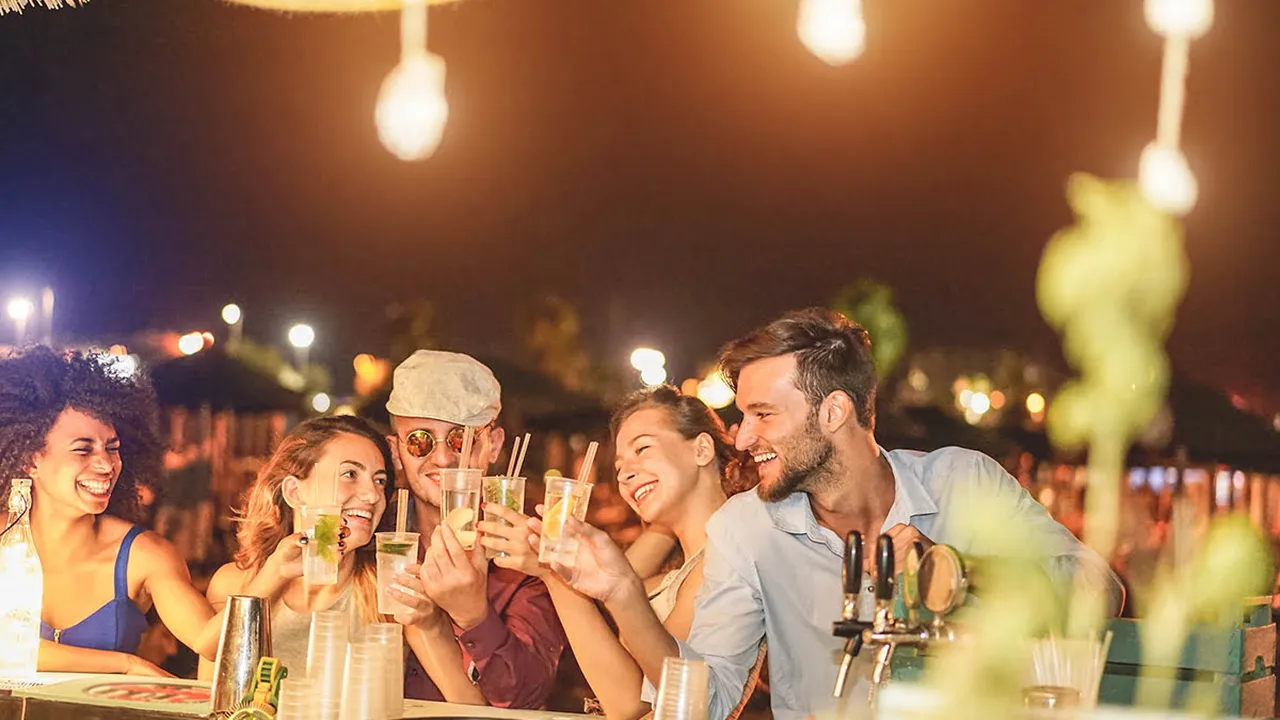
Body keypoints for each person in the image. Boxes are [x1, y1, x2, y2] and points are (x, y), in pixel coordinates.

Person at [544, 308, 1125, 720]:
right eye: (742, 416)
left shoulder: (961, 481)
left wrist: (955, 573)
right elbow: (708, 702)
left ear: (834, 412)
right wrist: (622, 594)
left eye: (762, 414)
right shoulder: (746, 529)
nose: (741, 438)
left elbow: (1102, 590)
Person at [481, 385, 767, 719]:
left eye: (643, 448)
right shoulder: (683, 567)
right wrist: (552, 564)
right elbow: (619, 581)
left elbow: (632, 702)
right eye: (618, 467)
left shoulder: (723, 564)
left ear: (702, 449)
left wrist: (554, 577)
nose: (625, 474)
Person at [0, 347, 222, 675]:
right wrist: (125, 665)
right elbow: (9, 650)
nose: (106, 464)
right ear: (30, 459)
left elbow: (210, 641)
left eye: (112, 448)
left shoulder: (144, 555)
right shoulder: (5, 541)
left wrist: (272, 576)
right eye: (83, 450)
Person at [382, 350, 566, 707]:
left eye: (460, 439)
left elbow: (524, 699)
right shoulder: (376, 537)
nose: (443, 458)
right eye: (420, 440)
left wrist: (474, 616)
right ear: (395, 451)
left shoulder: (527, 549)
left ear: (493, 446)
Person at [202, 415, 394, 677]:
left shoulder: (388, 591)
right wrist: (275, 574)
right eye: (350, 474)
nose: (373, 495)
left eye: (379, 480)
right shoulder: (233, 584)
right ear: (294, 492)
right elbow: (212, 671)